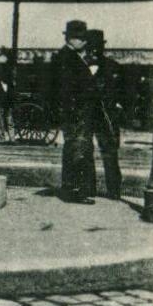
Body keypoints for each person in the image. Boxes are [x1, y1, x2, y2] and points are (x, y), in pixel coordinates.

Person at [47, 18, 99, 203]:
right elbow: (67, 89)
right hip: (76, 112)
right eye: (80, 38)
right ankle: (77, 191)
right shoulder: (67, 59)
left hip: (76, 112)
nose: (84, 41)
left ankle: (73, 188)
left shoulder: (69, 57)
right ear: (71, 39)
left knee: (74, 149)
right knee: (78, 151)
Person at [85, 28, 124, 199]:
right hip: (85, 114)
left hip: (107, 116)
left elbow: (124, 92)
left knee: (110, 152)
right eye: (91, 47)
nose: (94, 51)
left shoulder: (113, 67)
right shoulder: (79, 66)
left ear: (102, 48)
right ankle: (88, 188)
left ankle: (114, 191)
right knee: (85, 151)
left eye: (97, 47)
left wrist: (118, 106)